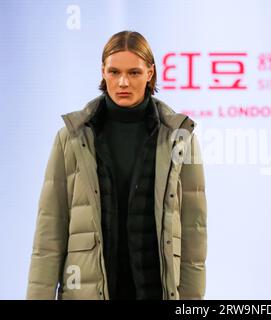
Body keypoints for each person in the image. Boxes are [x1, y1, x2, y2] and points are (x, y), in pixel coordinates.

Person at [26, 30, 207, 300]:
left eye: (134, 72)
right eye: (114, 72)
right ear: (103, 72)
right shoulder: (71, 138)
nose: (123, 82)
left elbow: (194, 234)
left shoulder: (179, 138)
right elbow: (48, 236)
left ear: (150, 73)